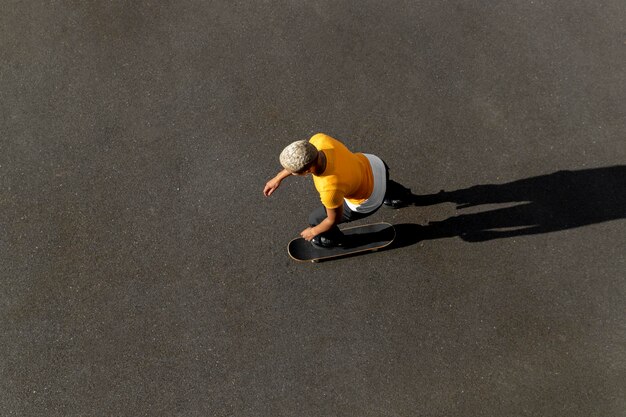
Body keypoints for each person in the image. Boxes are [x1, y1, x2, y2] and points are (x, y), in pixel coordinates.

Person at [263, 133, 411, 248]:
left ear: (307, 170)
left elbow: (332, 219)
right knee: (367, 179)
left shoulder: (329, 189)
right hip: (375, 165)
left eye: (293, 172)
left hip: (370, 197)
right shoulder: (319, 140)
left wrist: (314, 231)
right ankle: (399, 195)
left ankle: (335, 240)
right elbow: (306, 157)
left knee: (316, 219)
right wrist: (278, 177)